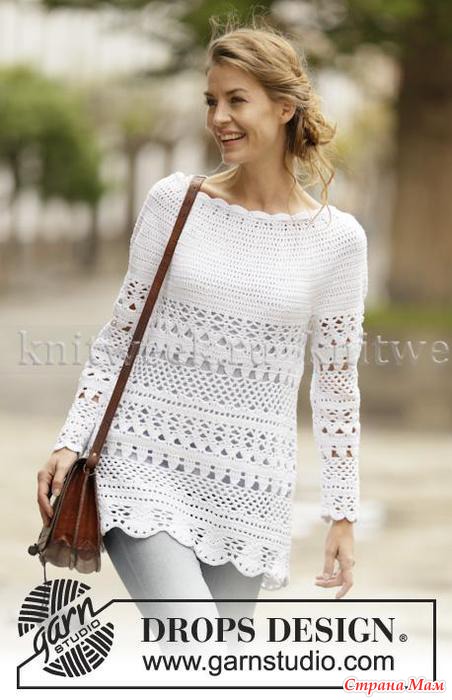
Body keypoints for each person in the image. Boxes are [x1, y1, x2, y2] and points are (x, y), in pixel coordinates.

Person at [36, 17, 368, 651]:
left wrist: (343, 513)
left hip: (250, 482)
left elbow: (335, 387)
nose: (219, 117)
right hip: (143, 459)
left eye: (237, 100)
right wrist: (71, 438)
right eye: (211, 100)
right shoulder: (175, 202)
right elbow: (119, 335)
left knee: (219, 669)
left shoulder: (337, 241)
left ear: (285, 108)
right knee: (194, 644)